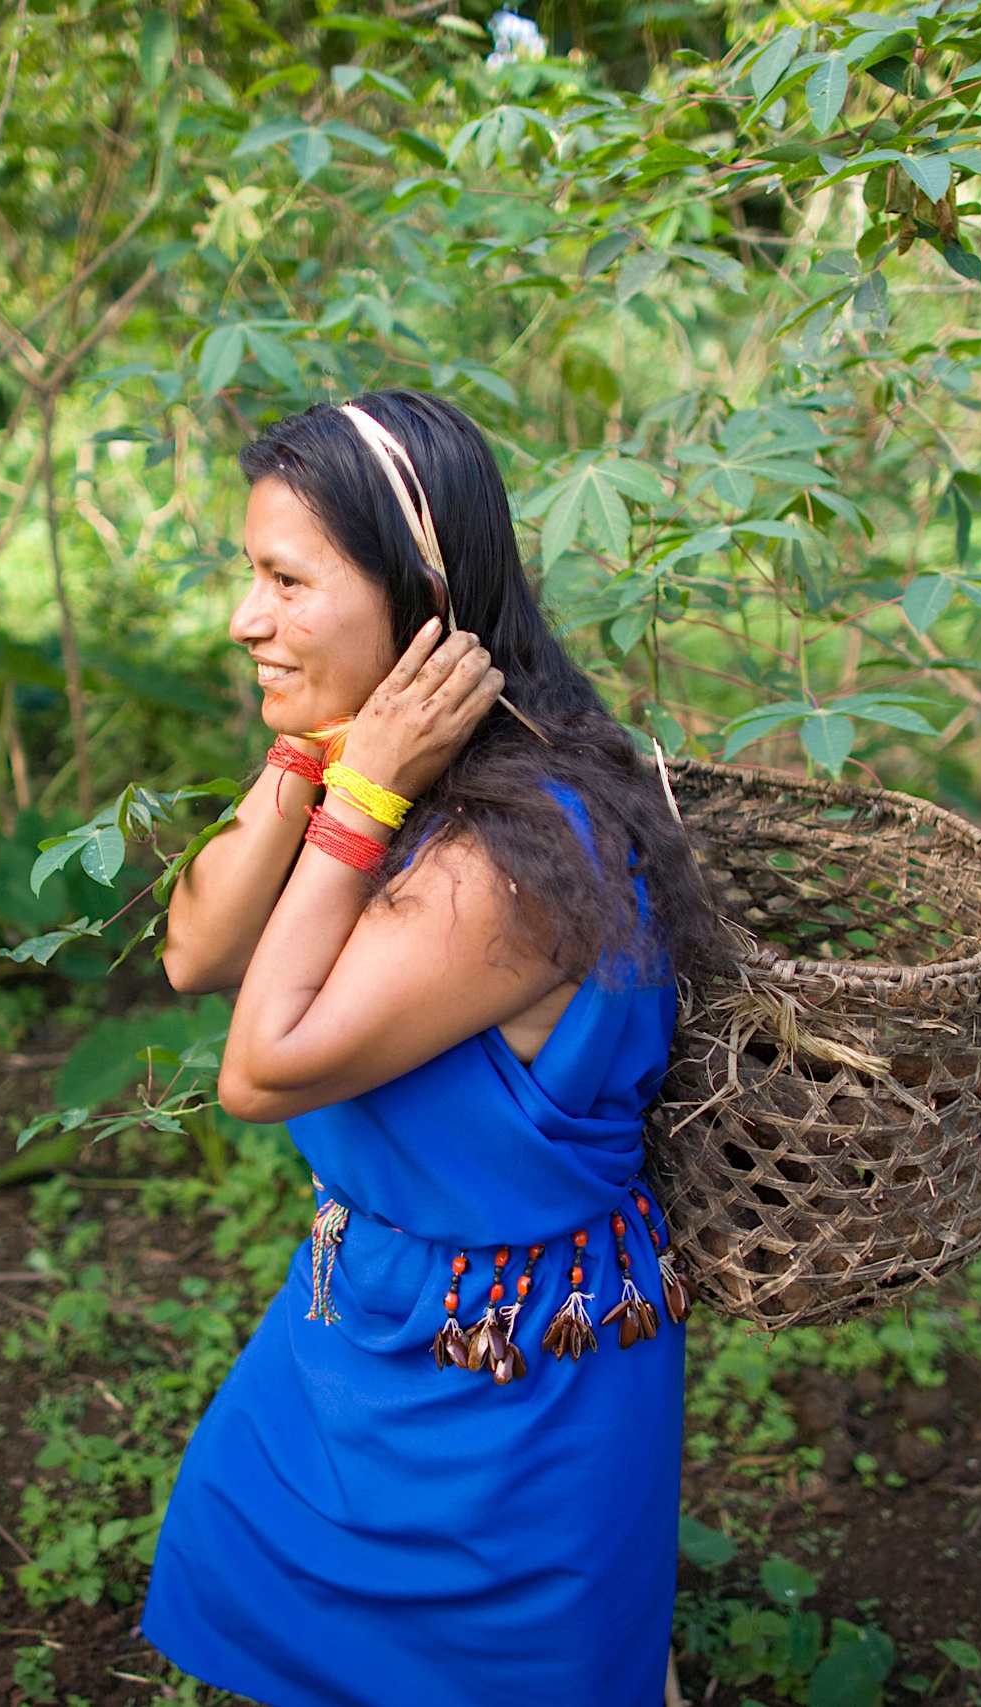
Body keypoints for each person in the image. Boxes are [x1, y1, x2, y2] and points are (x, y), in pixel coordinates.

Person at [141, 390, 721, 1706]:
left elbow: (260, 1064)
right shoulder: (396, 768)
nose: (245, 618)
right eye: (252, 576)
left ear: (420, 595)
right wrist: (316, 758)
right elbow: (196, 952)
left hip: (513, 1391)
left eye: (287, 580)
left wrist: (358, 794)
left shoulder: (515, 856)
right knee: (263, 1582)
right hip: (368, 1314)